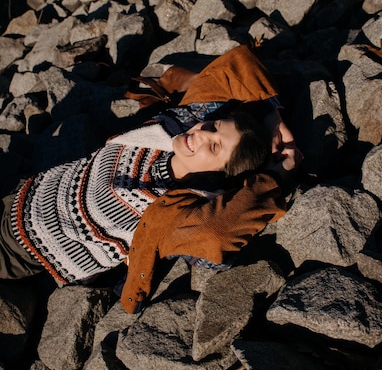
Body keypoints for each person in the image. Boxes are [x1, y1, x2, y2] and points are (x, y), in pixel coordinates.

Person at [0, 46, 302, 313]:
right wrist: (272, 114)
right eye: (211, 126)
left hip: (18, 248)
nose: (201, 135)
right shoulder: (173, 126)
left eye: (214, 147)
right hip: (22, 193)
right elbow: (238, 61)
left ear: (223, 173)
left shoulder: (177, 208)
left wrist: (277, 174)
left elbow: (216, 233)